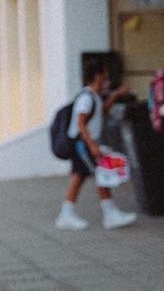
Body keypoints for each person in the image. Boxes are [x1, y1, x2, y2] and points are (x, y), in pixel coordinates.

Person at [55, 56, 138, 231]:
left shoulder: (94, 96)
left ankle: (100, 213)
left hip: (85, 144)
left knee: (90, 176)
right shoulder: (86, 97)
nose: (107, 78)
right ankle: (75, 215)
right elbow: (81, 123)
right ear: (98, 75)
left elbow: (100, 113)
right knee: (94, 175)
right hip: (83, 144)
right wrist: (92, 145)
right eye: (105, 74)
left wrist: (115, 95)